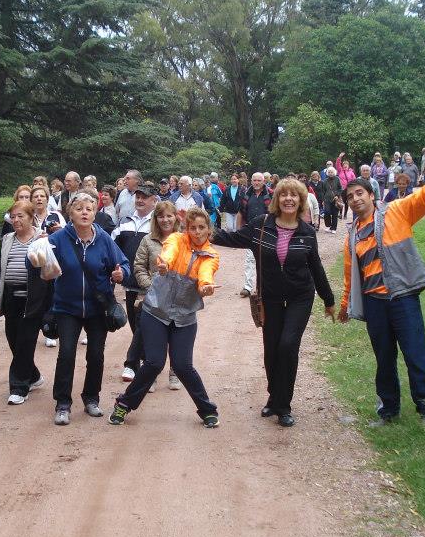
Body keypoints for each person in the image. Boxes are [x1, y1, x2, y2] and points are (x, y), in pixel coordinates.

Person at [339, 168, 425, 425]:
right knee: (384, 359)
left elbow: (423, 198)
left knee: (415, 353)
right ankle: (388, 409)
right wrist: (345, 303)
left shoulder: (396, 211)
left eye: (359, 193)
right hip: (374, 303)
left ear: (372, 195)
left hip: (402, 298)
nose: (355, 199)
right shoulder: (352, 235)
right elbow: (351, 274)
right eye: (350, 197)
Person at [213, 179, 335, 427]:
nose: (289, 199)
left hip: (300, 297)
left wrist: (328, 300)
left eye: (294, 195)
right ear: (277, 199)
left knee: (287, 346)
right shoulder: (261, 225)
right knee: (271, 348)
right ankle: (273, 396)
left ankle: (284, 405)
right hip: (270, 296)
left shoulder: (307, 232)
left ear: (301, 201)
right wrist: (199, 231)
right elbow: (232, 238)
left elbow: (316, 267)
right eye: (284, 195)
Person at [108, 207, 220, 428]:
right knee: (154, 362)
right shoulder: (176, 239)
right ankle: (124, 404)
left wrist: (206, 286)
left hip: (184, 318)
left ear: (209, 230)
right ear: (186, 228)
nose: (197, 232)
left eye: (201, 228)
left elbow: (206, 272)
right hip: (155, 312)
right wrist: (164, 263)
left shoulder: (211, 255)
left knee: (183, 365)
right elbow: (169, 252)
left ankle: (207, 409)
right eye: (193, 228)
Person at [45, 191, 130, 426]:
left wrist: (121, 273)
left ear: (94, 214)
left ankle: (91, 398)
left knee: (95, 354)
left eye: (89, 209)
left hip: (97, 307)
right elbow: (35, 262)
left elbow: (123, 263)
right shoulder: (58, 239)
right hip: (66, 307)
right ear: (70, 213)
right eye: (79, 208)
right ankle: (63, 404)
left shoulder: (104, 239)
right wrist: (37, 257)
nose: (84, 212)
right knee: (66, 354)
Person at [0, 200, 49, 405]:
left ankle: (19, 387)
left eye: (20, 216)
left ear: (31, 217)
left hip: (32, 298)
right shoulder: (7, 239)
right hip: (10, 297)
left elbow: (50, 269)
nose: (15, 220)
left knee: (26, 341)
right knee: (13, 340)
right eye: (13, 216)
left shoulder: (41, 238)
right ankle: (33, 376)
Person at [120, 200, 180, 389]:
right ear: (155, 219)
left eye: (169, 216)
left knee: (176, 334)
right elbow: (139, 267)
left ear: (175, 217)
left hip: (178, 297)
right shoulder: (148, 240)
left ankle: (175, 371)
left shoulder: (184, 240)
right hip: (152, 297)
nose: (165, 220)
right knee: (153, 336)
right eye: (161, 216)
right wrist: (151, 288)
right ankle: (151, 374)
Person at [112, 182, 157, 380]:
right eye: (137, 197)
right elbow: (113, 246)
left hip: (150, 285)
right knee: (134, 325)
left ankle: (132, 364)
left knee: (142, 325)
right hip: (130, 283)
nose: (139, 200)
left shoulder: (157, 223)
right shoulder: (125, 221)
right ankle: (147, 360)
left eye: (144, 197)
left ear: (154, 201)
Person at [240, 173, 271, 295]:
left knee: (266, 260)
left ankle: (263, 287)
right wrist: (240, 230)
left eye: (259, 180)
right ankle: (247, 287)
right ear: (251, 181)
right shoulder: (246, 195)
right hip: (251, 231)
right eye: (254, 180)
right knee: (249, 259)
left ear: (263, 181)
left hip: (267, 231)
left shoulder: (270, 195)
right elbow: (241, 213)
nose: (256, 183)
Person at [319, 166, 343, 234]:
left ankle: (334, 228)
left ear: (334, 172)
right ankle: (328, 225)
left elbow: (340, 189)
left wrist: (337, 195)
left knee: (335, 214)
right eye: (329, 172)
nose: (330, 173)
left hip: (335, 200)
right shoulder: (325, 181)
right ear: (327, 173)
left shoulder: (337, 179)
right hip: (327, 200)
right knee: (327, 212)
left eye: (331, 172)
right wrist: (323, 199)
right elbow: (323, 191)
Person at [335, 153, 357, 220]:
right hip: (341, 189)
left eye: (346, 165)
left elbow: (354, 180)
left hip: (348, 189)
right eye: (344, 165)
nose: (345, 166)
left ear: (348, 166)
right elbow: (337, 164)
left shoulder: (351, 172)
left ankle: (345, 214)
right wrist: (339, 157)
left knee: (347, 202)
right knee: (341, 202)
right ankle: (340, 213)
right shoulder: (340, 171)